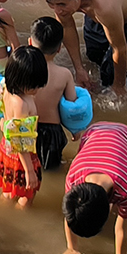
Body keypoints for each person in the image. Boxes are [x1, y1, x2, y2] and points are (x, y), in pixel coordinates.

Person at [58, 121, 127, 254]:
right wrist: (72, 248)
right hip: (92, 132)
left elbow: (122, 229)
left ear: (108, 207)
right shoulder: (73, 179)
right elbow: (71, 213)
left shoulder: (126, 188)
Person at [0, 45, 48, 208]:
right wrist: (30, 171)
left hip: (5, 149)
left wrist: (3, 125)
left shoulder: (5, 86)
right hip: (22, 157)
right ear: (23, 82)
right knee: (27, 195)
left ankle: (0, 213)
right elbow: (20, 141)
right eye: (34, 86)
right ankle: (19, 214)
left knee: (9, 191)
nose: (38, 89)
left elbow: (2, 115)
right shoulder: (22, 104)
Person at [29, 16, 78, 171]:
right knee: (51, 169)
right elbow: (72, 105)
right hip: (51, 132)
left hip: (26, 126)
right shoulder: (64, 74)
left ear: (30, 42)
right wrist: (75, 130)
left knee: (26, 166)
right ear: (59, 48)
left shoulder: (21, 68)